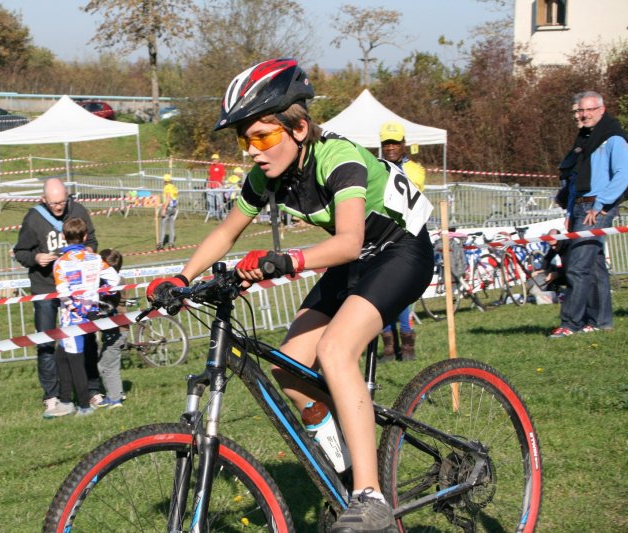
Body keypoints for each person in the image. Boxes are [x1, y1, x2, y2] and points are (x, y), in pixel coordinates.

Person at [146, 58, 433, 532]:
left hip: (400, 250)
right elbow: (227, 231)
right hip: (356, 261)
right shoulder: (266, 175)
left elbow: (349, 242)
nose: (252, 151)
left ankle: (370, 496)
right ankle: (344, 466)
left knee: (335, 350)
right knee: (287, 366)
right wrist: (181, 278)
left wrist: (287, 260)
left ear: (299, 128)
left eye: (262, 137)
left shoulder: (337, 158)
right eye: (245, 141)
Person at [13, 177, 98, 416]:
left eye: (62, 202)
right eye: (54, 204)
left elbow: (92, 241)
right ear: (44, 200)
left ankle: (92, 389)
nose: (59, 207)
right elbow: (20, 251)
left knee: (87, 338)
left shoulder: (79, 211)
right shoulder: (33, 218)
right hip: (46, 287)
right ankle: (52, 395)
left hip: (76, 290)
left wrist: (86, 252)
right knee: (47, 342)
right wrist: (36, 258)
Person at [549, 91, 628, 337]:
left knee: (576, 266)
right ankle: (600, 322)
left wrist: (601, 205)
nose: (583, 115)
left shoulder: (614, 138)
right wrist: (569, 210)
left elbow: (623, 174)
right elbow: (575, 178)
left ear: (601, 109)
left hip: (597, 208)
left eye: (589, 110)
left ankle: (570, 323)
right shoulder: (584, 139)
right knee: (593, 266)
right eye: (580, 110)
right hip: (580, 206)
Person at [46, 218, 118, 417]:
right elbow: (114, 279)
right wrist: (99, 295)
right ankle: (65, 399)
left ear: (63, 236)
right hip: (90, 314)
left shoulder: (60, 263)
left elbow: (63, 293)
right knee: (61, 355)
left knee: (75, 361)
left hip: (72, 318)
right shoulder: (95, 258)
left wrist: (77, 308)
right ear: (85, 236)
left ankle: (84, 406)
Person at [377, 121, 427, 362]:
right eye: (386, 143)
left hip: (406, 237)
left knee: (399, 292)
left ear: (403, 144)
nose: (390, 148)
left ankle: (407, 344)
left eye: (395, 143)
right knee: (380, 291)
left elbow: (408, 193)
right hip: (380, 236)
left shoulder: (414, 170)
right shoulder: (376, 167)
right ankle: (388, 346)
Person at [89, 248, 126, 409]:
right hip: (115, 331)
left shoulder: (114, 285)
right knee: (107, 363)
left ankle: (115, 398)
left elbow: (108, 306)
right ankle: (115, 394)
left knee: (107, 365)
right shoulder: (115, 281)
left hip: (118, 331)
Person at [157, 174, 179, 250]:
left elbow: (168, 198)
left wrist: (164, 209)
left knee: (163, 226)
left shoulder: (167, 187)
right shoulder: (174, 187)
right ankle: (171, 244)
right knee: (171, 227)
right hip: (173, 208)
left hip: (168, 208)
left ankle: (160, 244)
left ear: (165, 180)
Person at [206, 153, 226, 220]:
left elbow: (223, 176)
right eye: (213, 159)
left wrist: (222, 184)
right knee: (210, 200)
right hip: (211, 186)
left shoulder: (221, 166)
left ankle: (219, 214)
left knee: (219, 201)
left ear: (218, 159)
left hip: (218, 186)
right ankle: (212, 214)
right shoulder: (211, 166)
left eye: (215, 159)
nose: (214, 160)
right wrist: (208, 184)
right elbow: (209, 175)